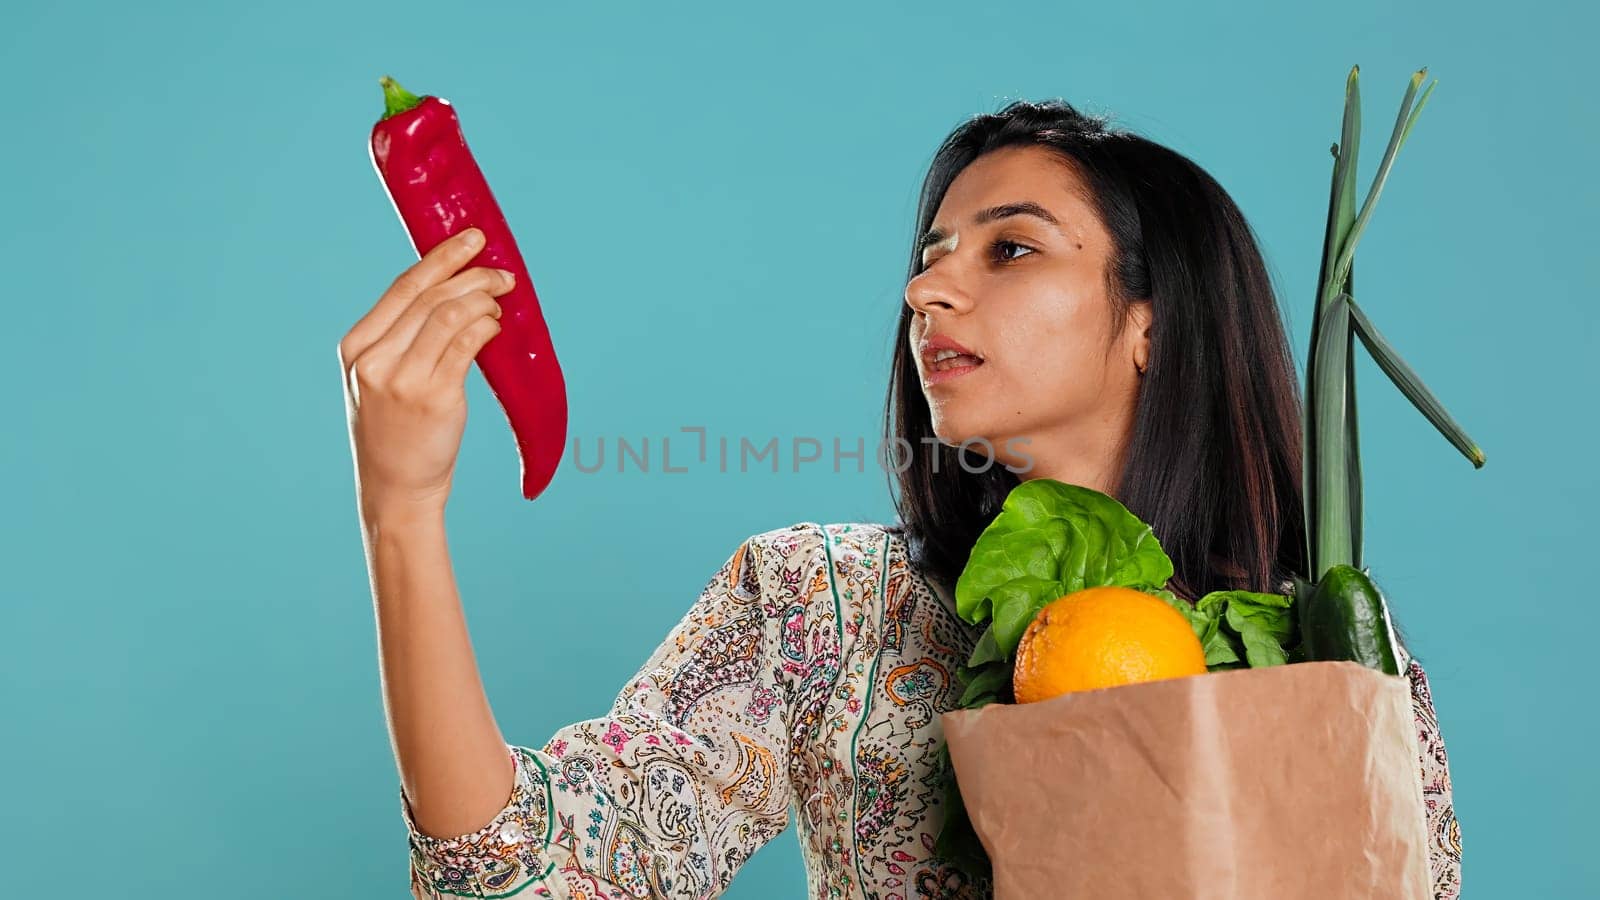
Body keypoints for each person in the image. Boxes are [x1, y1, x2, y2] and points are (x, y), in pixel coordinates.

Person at [339, 99, 1462, 900]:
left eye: (1010, 249)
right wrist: (403, 508)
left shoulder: (1318, 658)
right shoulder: (818, 603)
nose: (926, 289)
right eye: (929, 257)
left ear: (1149, 323)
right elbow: (531, 875)